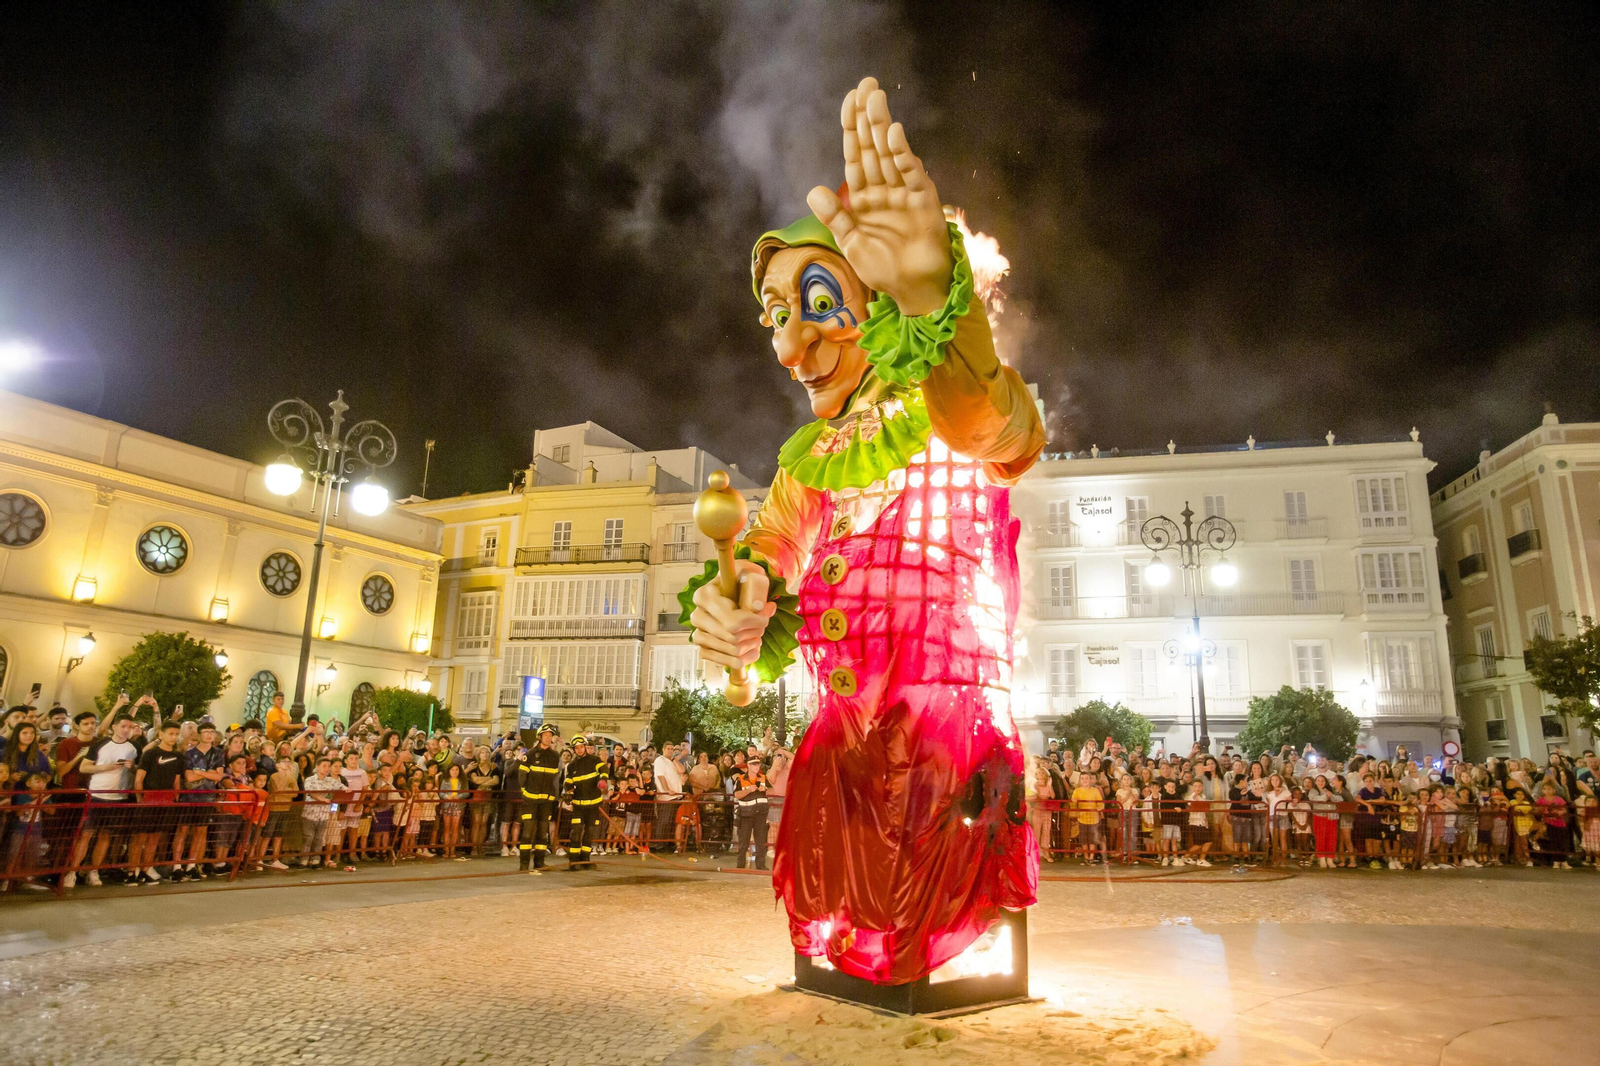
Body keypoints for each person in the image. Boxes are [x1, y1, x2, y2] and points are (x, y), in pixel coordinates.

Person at [130, 719, 185, 884]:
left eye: (176, 734)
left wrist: (175, 800)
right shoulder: (150, 754)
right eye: (170, 733)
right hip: (149, 800)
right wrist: (140, 799)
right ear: (161, 734)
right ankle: (132, 871)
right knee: (140, 837)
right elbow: (139, 779)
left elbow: (176, 781)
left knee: (155, 837)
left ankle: (146, 868)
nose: (173, 737)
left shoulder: (178, 756)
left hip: (166, 801)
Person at [517, 726, 561, 872]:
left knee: (543, 833)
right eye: (545, 735)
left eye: (550, 735)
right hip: (530, 801)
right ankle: (524, 864)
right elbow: (522, 776)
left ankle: (539, 862)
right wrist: (525, 792)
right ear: (539, 737)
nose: (548, 737)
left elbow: (554, 778)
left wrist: (553, 796)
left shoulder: (554, 756)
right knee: (528, 832)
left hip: (546, 802)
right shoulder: (530, 754)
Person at [562, 735, 607, 870]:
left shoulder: (595, 760)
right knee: (576, 832)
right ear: (574, 750)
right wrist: (569, 793)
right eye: (577, 748)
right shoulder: (572, 765)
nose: (580, 750)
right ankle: (573, 860)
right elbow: (568, 781)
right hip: (579, 805)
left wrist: (603, 779)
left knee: (590, 833)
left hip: (593, 805)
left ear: (585, 747)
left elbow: (603, 769)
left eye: (581, 747)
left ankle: (585, 859)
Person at [732, 757, 770, 870]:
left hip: (760, 814)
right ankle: (740, 865)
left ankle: (761, 865)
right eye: (754, 764)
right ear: (748, 765)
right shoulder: (740, 779)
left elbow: (773, 790)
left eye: (758, 764)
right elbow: (736, 794)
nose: (757, 767)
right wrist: (748, 790)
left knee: (760, 841)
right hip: (746, 814)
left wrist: (765, 789)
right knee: (743, 841)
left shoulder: (763, 778)